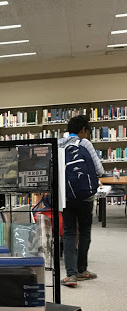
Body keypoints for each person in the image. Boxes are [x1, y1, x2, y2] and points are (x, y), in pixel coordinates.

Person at [58, 114, 103, 287]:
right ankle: (82, 270)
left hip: (66, 196)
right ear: (83, 130)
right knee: (84, 231)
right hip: (85, 196)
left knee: (69, 232)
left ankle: (71, 275)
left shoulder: (59, 143)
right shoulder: (85, 144)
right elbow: (99, 169)